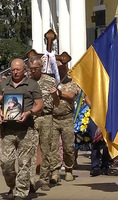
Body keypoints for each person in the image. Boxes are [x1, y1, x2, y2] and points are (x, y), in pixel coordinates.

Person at [0, 58, 43, 200]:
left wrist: (29, 112)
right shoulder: (4, 84)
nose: (15, 72)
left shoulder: (32, 84)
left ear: (24, 69)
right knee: (6, 164)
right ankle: (12, 186)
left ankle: (20, 193)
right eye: (12, 69)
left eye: (18, 69)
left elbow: (39, 104)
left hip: (26, 129)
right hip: (8, 130)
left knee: (24, 163)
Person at [28, 56, 60, 191]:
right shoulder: (27, 82)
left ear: (41, 67)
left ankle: (44, 178)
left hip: (46, 118)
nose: (33, 71)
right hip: (31, 118)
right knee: (30, 149)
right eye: (31, 69)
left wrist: (54, 95)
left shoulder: (50, 81)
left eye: (35, 68)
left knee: (47, 148)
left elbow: (57, 103)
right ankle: (30, 180)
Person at [50, 63, 78, 183]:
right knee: (53, 147)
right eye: (58, 68)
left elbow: (71, 95)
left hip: (67, 118)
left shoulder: (71, 81)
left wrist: (58, 92)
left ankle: (68, 169)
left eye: (62, 68)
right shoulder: (51, 82)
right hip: (53, 118)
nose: (60, 70)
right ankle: (55, 171)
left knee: (68, 146)